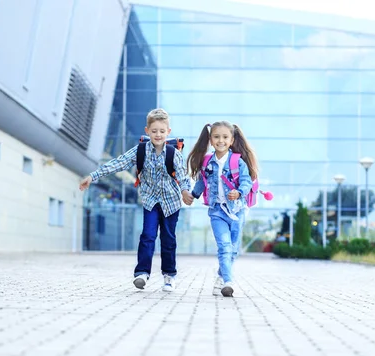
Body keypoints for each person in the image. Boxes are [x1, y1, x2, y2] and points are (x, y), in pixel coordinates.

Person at [79, 108, 193, 292]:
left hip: (171, 203)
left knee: (168, 239)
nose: (158, 135)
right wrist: (93, 176)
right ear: (147, 131)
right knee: (148, 236)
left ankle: (169, 276)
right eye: (154, 131)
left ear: (168, 132)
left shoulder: (174, 153)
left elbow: (182, 175)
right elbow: (119, 163)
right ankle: (141, 273)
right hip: (150, 201)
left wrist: (186, 191)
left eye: (162, 131)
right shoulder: (140, 150)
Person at [184, 121, 258, 297]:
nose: (221, 140)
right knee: (224, 247)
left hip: (237, 211)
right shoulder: (207, 162)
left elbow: (247, 181)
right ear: (210, 139)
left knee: (233, 249)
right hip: (217, 211)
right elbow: (202, 181)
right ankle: (228, 282)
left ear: (232, 140)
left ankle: (220, 276)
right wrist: (193, 195)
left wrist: (239, 193)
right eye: (216, 137)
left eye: (225, 137)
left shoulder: (237, 162)